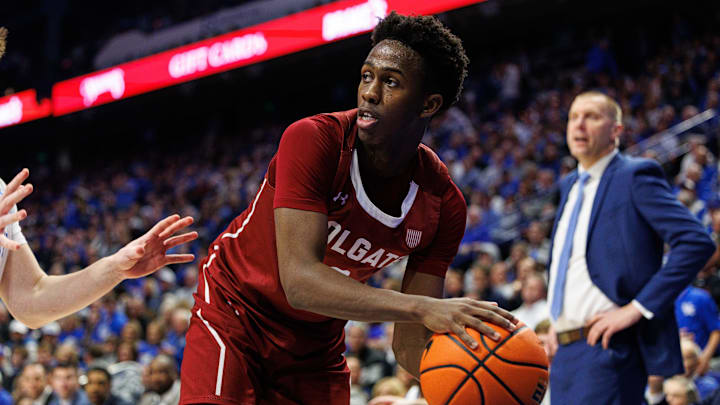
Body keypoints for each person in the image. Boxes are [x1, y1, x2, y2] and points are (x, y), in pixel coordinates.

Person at [179, 11, 517, 405]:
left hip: (315, 339)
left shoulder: (443, 205)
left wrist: (476, 380)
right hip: (237, 308)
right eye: (366, 76)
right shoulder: (313, 140)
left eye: (391, 82)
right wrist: (422, 308)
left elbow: (410, 345)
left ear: (429, 104)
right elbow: (301, 283)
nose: (370, 93)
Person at [546, 91, 715, 404]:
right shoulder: (568, 186)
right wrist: (559, 321)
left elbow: (695, 241)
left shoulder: (634, 174)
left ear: (616, 131)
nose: (579, 124)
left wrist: (636, 308)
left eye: (592, 116)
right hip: (563, 352)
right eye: (573, 117)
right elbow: (571, 264)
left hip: (610, 347)